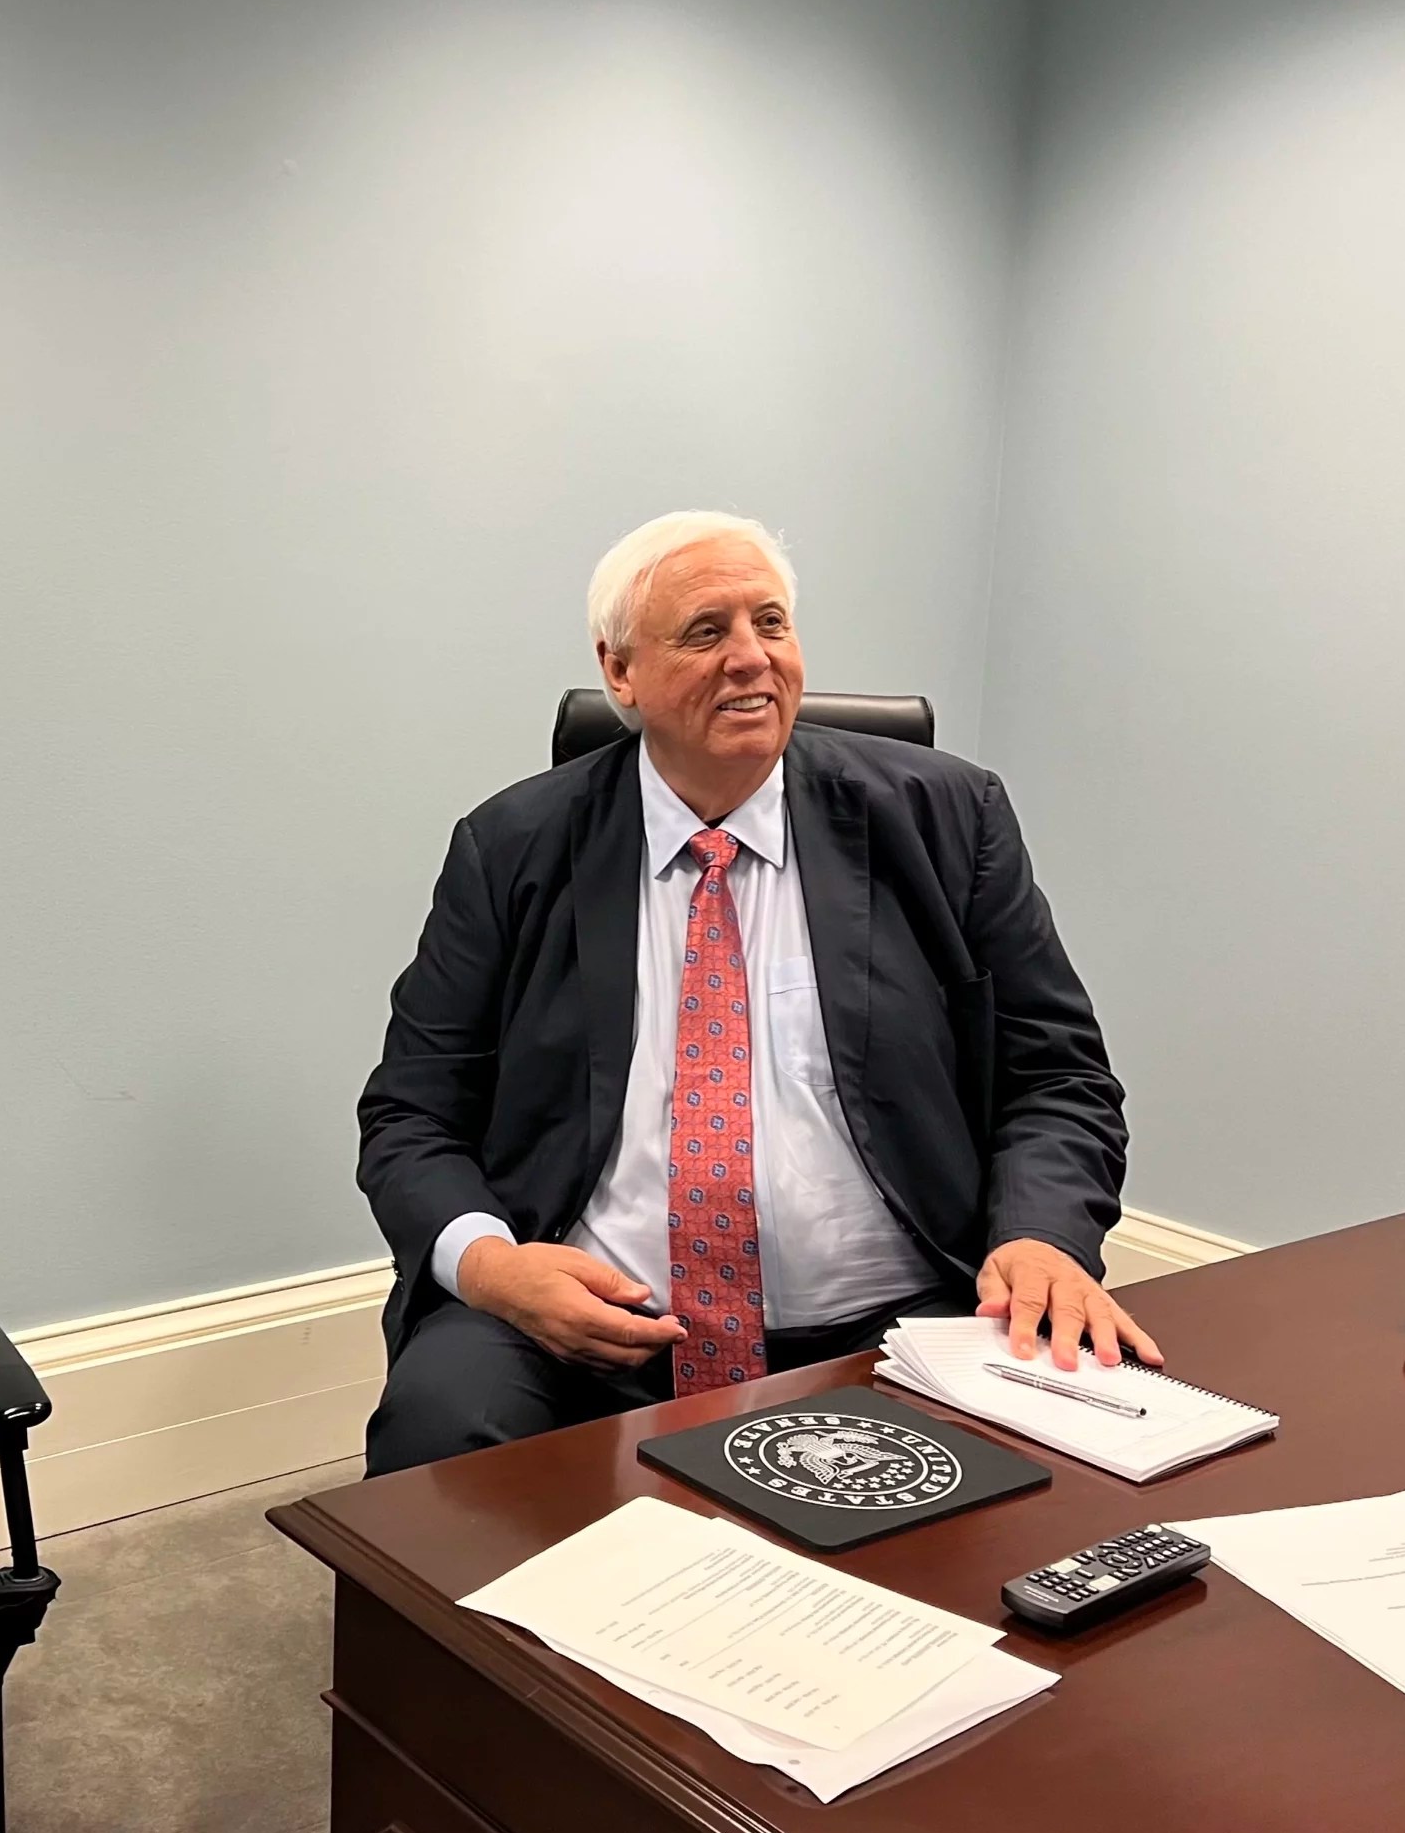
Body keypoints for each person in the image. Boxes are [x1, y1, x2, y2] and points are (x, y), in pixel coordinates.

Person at [356, 510, 1156, 1476]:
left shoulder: (948, 817)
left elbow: (1058, 1078)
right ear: (620, 672)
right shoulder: (511, 848)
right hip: (585, 1321)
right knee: (442, 1432)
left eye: (770, 623)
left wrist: (1038, 1236)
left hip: (903, 1319)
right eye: (707, 631)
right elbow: (411, 1114)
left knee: (1075, 1472)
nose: (752, 657)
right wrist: (492, 1266)